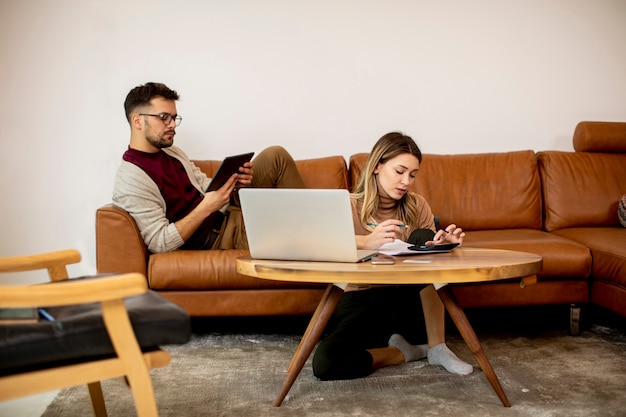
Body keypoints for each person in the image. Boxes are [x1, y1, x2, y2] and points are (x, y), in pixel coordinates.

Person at [312, 131, 473, 381]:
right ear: (377, 166)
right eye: (399, 172)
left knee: (421, 236)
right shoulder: (348, 206)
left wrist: (443, 245)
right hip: (360, 299)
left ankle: (437, 347)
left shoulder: (417, 205)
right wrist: (366, 242)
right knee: (326, 363)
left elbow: (431, 264)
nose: (406, 181)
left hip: (406, 298)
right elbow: (319, 245)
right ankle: (399, 353)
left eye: (412, 174)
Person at [113, 82, 305, 253]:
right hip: (219, 237)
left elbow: (205, 186)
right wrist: (206, 207)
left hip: (227, 212)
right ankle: (314, 233)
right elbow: (159, 242)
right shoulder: (131, 178)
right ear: (137, 121)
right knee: (294, 233)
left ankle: (311, 225)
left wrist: (236, 185)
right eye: (164, 117)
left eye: (174, 117)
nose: (172, 125)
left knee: (275, 155)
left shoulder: (173, 153)